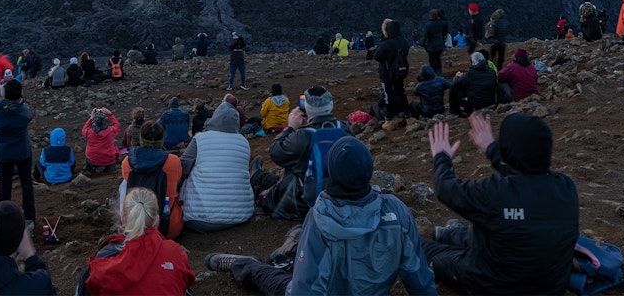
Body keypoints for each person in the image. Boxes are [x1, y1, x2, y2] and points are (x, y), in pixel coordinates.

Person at [209, 136, 437, 296]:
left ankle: (245, 264)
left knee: (273, 277)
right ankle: (293, 245)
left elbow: (303, 290)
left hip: (317, 284)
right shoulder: (395, 210)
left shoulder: (322, 216)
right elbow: (418, 275)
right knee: (307, 259)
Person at [421, 113, 579, 295]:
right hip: (550, 286)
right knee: (505, 226)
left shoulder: (495, 193)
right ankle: (452, 234)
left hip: (490, 284)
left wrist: (442, 157)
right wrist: (491, 148)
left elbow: (446, 189)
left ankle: (445, 238)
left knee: (427, 250)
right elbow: (524, 172)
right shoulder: (566, 187)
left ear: (508, 150)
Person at [78, 186, 195, 296]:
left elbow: (89, 285)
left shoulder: (103, 259)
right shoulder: (175, 253)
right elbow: (186, 282)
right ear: (156, 219)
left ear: (123, 219)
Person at [251, 85, 344, 221]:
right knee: (294, 175)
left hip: (302, 203)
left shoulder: (303, 137)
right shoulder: (345, 129)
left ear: (306, 108)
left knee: (270, 192)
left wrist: (290, 127)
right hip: (338, 197)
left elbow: (276, 152)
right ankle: (259, 176)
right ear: (330, 105)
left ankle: (257, 186)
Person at [180, 102, 253, 233]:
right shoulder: (244, 142)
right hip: (241, 215)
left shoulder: (200, 139)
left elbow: (182, 168)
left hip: (199, 218)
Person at [119, 121, 184, 239]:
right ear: (161, 139)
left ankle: (126, 220)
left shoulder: (127, 162)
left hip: (135, 227)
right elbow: (178, 182)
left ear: (141, 138)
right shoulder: (173, 161)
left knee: (123, 184)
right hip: (168, 227)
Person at [0, 79, 35, 222]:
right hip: (22, 151)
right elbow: (29, 117)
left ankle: (4, 219)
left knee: (5, 187)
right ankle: (29, 218)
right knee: (27, 185)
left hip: (4, 153)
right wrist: (20, 103)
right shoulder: (23, 111)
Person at [375, 19, 411, 119]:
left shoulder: (387, 44)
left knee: (388, 94)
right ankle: (408, 114)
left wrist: (384, 40)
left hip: (387, 72)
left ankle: (389, 117)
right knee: (401, 91)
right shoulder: (405, 42)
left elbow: (377, 56)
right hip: (400, 71)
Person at [81, 107, 121, 174]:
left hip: (93, 161)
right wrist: (110, 114)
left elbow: (84, 129)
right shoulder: (110, 131)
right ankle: (111, 166)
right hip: (109, 160)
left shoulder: (88, 132)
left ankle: (88, 169)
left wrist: (91, 118)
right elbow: (117, 125)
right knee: (115, 142)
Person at [422, 9, 449, 75]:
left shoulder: (428, 25)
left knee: (432, 60)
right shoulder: (442, 23)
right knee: (438, 58)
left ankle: (433, 73)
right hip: (440, 45)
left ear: (430, 16)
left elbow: (425, 36)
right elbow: (445, 29)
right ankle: (439, 72)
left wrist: (423, 43)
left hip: (431, 46)